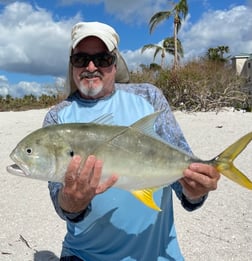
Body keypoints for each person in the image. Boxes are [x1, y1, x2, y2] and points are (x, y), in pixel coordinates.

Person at [43, 21, 220, 261]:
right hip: (83, 255)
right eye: (81, 59)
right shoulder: (57, 117)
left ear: (115, 63)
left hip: (157, 255)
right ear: (72, 64)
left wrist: (196, 191)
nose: (91, 67)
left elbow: (183, 181)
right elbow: (60, 202)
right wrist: (72, 202)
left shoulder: (149, 97)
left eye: (102, 59)